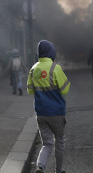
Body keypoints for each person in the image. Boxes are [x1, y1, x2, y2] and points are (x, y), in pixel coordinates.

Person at [27, 40, 70, 173]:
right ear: (52, 52)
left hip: (41, 113)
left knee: (47, 144)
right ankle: (58, 170)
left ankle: (40, 166)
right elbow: (65, 90)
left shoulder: (33, 69)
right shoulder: (55, 68)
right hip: (56, 113)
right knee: (59, 142)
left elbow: (30, 90)